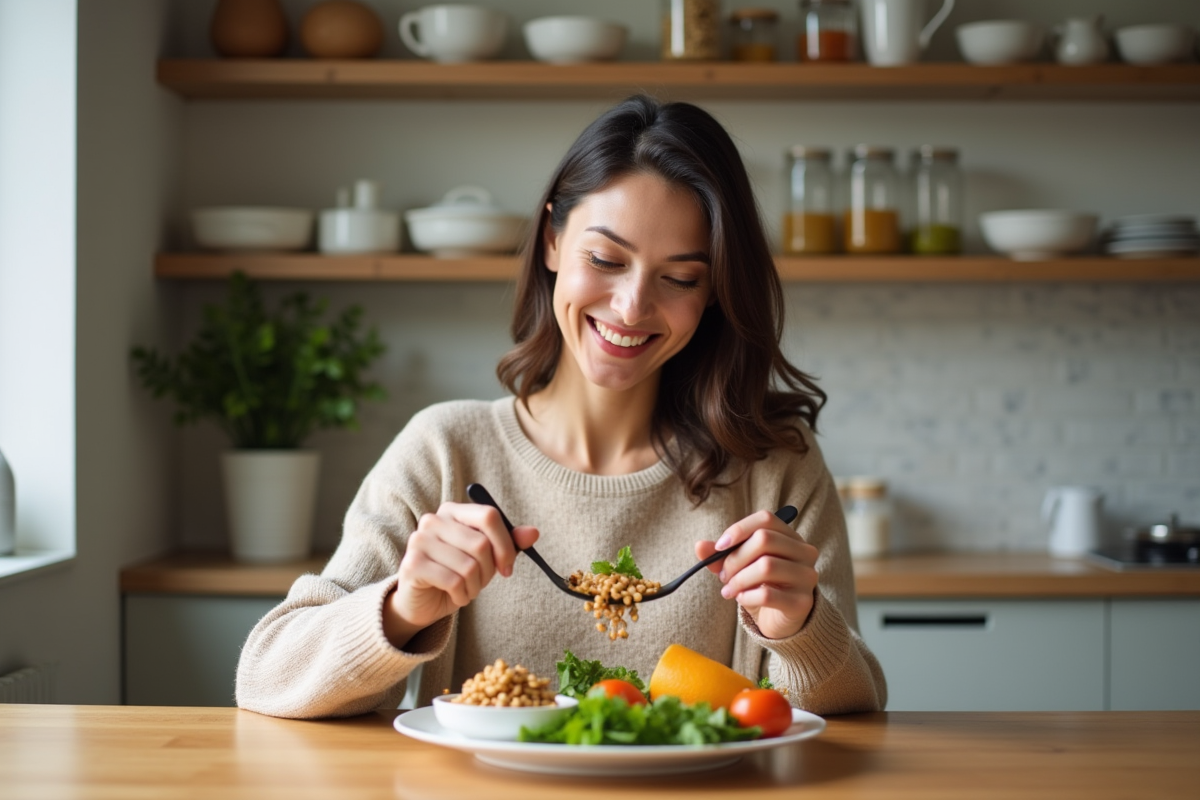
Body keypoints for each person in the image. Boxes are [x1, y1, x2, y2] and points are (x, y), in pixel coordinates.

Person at [236, 95, 887, 719]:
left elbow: (854, 706)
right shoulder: (446, 451)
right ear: (551, 240)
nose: (632, 307)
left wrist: (800, 628)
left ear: (716, 287)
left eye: (681, 278)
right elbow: (266, 674)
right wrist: (402, 608)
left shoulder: (774, 467)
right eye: (606, 259)